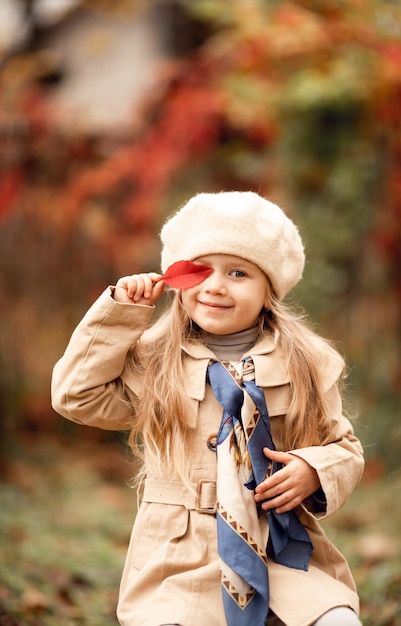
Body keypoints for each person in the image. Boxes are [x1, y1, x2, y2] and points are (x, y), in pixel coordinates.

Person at [51, 191, 364, 626]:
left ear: (268, 289)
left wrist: (313, 469)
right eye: (200, 271)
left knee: (335, 621)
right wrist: (121, 314)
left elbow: (343, 447)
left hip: (280, 549)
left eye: (238, 273)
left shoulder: (305, 362)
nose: (215, 286)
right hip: (178, 558)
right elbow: (75, 397)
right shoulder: (155, 360)